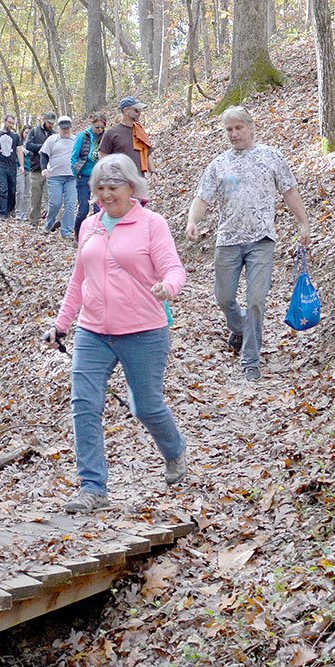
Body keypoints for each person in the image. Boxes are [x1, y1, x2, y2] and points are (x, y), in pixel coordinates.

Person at [43, 153, 187, 512]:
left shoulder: (152, 224)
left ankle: (174, 450)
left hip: (144, 330)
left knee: (146, 407)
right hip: (92, 332)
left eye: (113, 187)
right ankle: (93, 487)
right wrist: (61, 324)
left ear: (131, 187)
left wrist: (168, 288)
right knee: (84, 406)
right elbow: (79, 281)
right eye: (100, 188)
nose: (106, 195)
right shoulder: (89, 226)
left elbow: (173, 268)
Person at [186, 106, 312, 382]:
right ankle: (240, 327)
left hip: (261, 241)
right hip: (228, 240)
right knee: (224, 298)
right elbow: (202, 197)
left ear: (251, 127)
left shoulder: (271, 157)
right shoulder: (219, 164)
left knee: (256, 300)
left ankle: (250, 360)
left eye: (238, 128)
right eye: (228, 130)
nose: (233, 134)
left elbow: (290, 191)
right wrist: (192, 221)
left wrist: (303, 222)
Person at [99, 96, 159, 187]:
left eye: (140, 110)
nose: (139, 113)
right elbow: (103, 156)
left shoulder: (139, 131)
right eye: (136, 110)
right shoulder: (111, 133)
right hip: (119, 182)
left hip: (138, 181)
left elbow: (147, 153)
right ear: (126, 111)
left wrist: (153, 172)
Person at [41, 115, 77, 239]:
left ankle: (66, 231)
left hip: (71, 177)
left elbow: (81, 155)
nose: (65, 130)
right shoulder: (52, 139)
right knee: (55, 203)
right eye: (63, 128)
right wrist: (44, 169)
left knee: (70, 204)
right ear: (59, 128)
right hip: (55, 176)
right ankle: (49, 224)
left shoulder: (75, 140)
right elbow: (44, 155)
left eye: (67, 128)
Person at [72, 112, 107, 239]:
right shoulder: (83, 136)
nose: (100, 130)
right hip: (84, 176)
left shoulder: (105, 137)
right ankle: (78, 234)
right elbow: (74, 156)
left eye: (102, 127)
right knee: (83, 209)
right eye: (97, 127)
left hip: (99, 177)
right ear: (92, 124)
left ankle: (95, 236)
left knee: (98, 208)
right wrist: (76, 171)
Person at [0, 113, 25, 219]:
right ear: (5, 121)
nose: (11, 125)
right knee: (2, 189)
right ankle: (3, 212)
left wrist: (21, 165)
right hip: (0, 166)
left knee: (12, 190)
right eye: (9, 122)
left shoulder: (15, 136)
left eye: (13, 123)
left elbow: (19, 150)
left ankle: (10, 209)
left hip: (12, 166)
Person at [25, 111, 56, 227]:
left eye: (52, 123)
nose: (50, 125)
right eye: (49, 122)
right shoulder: (34, 131)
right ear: (44, 120)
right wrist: (44, 147)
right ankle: (34, 221)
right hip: (36, 168)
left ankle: (50, 222)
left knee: (50, 197)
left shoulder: (54, 135)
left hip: (50, 169)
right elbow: (28, 145)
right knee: (35, 197)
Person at [15, 125, 32, 220]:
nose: (27, 135)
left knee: (27, 192)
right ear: (22, 133)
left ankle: (25, 213)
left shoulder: (32, 144)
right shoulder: (18, 143)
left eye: (29, 133)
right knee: (20, 190)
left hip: (30, 169)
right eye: (26, 132)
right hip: (19, 168)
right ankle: (18, 211)